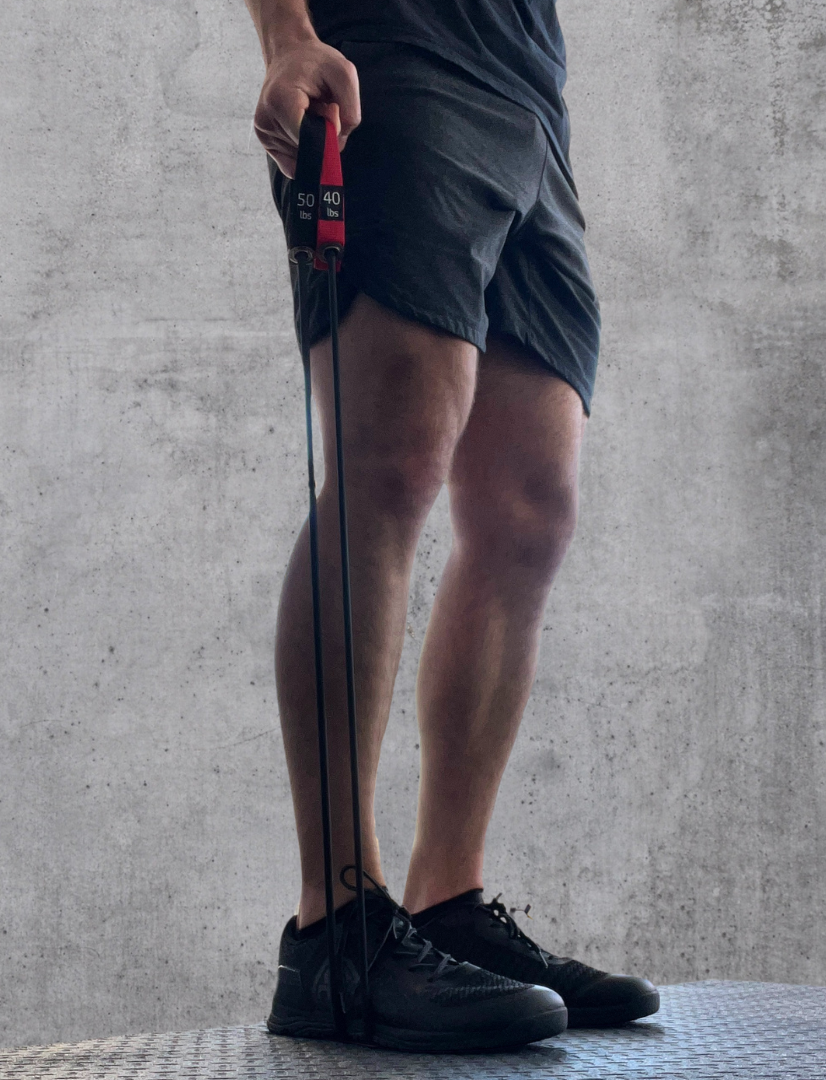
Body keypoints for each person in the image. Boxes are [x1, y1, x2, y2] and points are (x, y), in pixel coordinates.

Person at [243, 0, 659, 1052]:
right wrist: (288, 37)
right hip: (393, 54)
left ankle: (447, 904)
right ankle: (337, 927)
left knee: (530, 511)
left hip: (527, 83)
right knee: (390, 461)